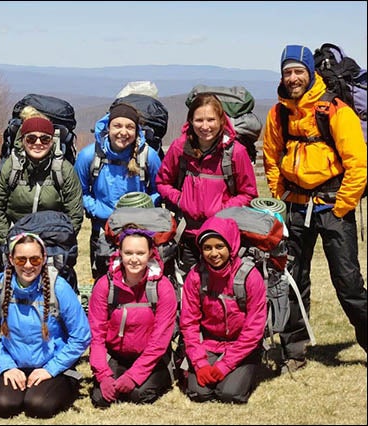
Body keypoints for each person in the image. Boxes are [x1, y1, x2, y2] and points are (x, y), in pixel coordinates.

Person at [263, 44, 367, 372]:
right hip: (294, 206)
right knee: (292, 278)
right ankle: (294, 350)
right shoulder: (278, 112)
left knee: (348, 282)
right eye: (287, 72)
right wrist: (280, 199)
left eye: (298, 71)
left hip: (332, 205)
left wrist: (343, 206)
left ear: (310, 73)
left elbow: (358, 163)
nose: (293, 78)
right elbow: (271, 157)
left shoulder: (335, 110)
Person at [0, 232, 91, 419]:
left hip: (52, 364)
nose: (28, 266)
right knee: (2, 406)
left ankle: (65, 384)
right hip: (14, 363)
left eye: (35, 259)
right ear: (11, 259)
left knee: (38, 406)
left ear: (44, 259)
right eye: (21, 260)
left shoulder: (59, 288)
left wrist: (51, 369)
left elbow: (81, 335)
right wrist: (7, 366)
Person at [156, 93, 258, 279]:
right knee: (189, 288)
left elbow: (248, 193)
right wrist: (181, 200)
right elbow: (163, 182)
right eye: (199, 120)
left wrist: (223, 210)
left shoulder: (236, 152)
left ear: (221, 120)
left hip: (223, 236)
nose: (205, 126)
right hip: (188, 234)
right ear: (190, 121)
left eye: (211, 119)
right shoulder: (180, 148)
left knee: (221, 291)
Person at [87, 224, 178, 407]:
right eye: (128, 253)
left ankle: (163, 374)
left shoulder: (162, 287)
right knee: (101, 398)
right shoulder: (105, 285)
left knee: (138, 394)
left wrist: (133, 376)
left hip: (151, 356)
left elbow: (159, 341)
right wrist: (103, 375)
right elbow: (95, 335)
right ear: (119, 252)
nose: (134, 259)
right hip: (117, 355)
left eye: (140, 253)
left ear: (151, 253)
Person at [180, 216, 267, 404]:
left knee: (230, 394)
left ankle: (248, 369)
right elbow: (189, 323)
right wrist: (200, 363)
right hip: (209, 343)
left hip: (242, 345)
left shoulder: (250, 277)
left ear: (231, 246)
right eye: (207, 248)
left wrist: (225, 365)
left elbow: (254, 329)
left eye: (219, 246)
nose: (213, 253)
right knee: (199, 394)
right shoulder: (195, 276)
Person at [0, 109, 83, 271]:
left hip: (53, 244)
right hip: (13, 242)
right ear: (22, 140)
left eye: (44, 139)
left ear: (52, 141)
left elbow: (74, 214)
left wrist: (58, 240)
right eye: (31, 138)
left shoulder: (63, 170)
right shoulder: (9, 168)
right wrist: (10, 241)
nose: (38, 143)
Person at [74, 102, 162, 279]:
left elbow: (159, 189)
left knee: (138, 277)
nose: (123, 132)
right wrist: (97, 209)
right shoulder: (89, 156)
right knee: (103, 278)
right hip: (103, 229)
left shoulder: (148, 156)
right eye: (117, 125)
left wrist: (142, 209)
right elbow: (79, 192)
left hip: (141, 230)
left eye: (130, 127)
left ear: (137, 130)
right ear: (108, 127)